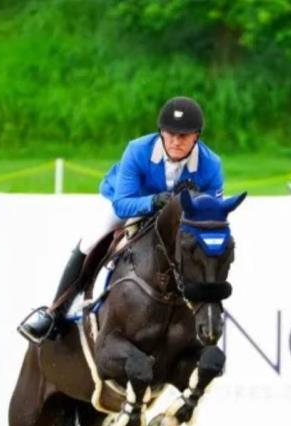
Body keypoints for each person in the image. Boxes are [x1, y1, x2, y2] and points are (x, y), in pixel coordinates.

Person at [18, 96, 225, 343]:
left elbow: (213, 213)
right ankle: (55, 312)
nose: (176, 141)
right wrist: (154, 201)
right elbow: (122, 203)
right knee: (91, 240)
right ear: (161, 132)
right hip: (132, 202)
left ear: (196, 137)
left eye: (184, 136)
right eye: (170, 134)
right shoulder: (138, 150)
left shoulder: (211, 165)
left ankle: (205, 311)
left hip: (176, 216)